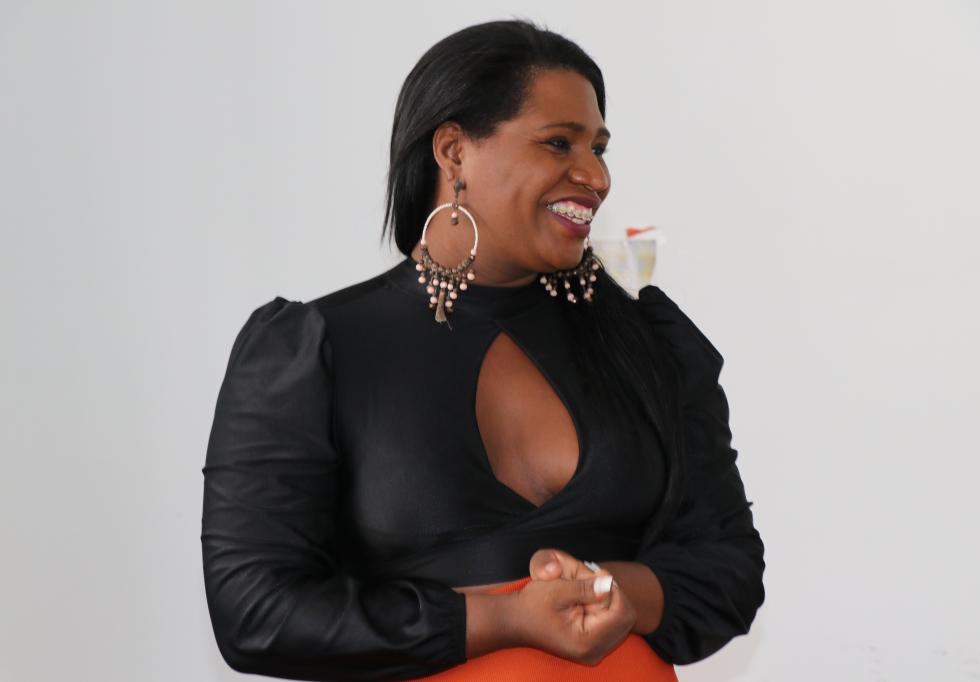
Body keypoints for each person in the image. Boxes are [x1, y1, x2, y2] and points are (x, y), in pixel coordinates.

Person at [201, 18, 765, 682]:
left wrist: (612, 590)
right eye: (559, 142)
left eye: (599, 148)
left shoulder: (647, 343)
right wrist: (506, 618)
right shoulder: (315, 351)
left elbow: (728, 570)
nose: (595, 175)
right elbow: (256, 611)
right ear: (454, 153)